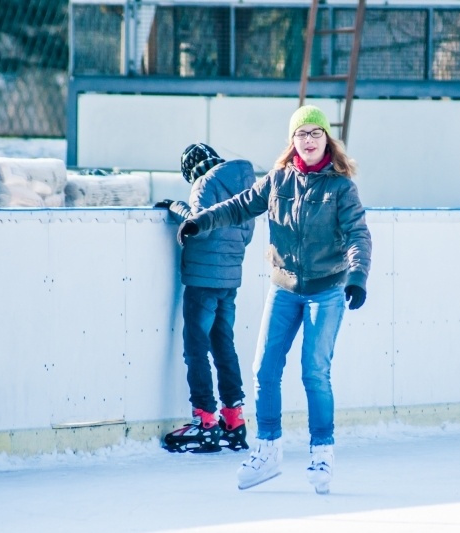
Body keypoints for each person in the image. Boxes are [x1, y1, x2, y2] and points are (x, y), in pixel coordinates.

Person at [177, 105, 372, 494]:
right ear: (293, 141)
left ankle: (322, 452)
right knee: (264, 370)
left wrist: (357, 277)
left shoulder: (340, 188)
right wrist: (201, 221)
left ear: (326, 140)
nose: (309, 140)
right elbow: (239, 206)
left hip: (326, 290)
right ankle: (268, 450)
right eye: (302, 134)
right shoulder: (279, 180)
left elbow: (358, 234)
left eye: (316, 134)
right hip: (284, 288)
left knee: (314, 371)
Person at [155, 143, 256, 453]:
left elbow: (201, 226)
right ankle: (234, 419)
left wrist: (176, 207)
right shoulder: (245, 182)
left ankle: (206, 421)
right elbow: (247, 233)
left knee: (196, 348)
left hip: (202, 280)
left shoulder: (204, 183)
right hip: (229, 279)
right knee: (224, 345)